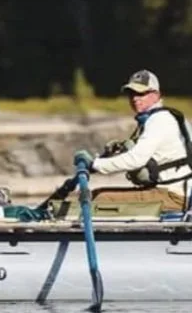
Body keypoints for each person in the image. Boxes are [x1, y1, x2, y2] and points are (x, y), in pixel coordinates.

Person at [74, 69, 192, 212]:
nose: (135, 98)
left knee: (98, 198)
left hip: (174, 196)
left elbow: (136, 160)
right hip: (176, 192)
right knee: (97, 195)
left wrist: (95, 164)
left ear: (156, 95)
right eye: (131, 93)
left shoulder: (159, 120)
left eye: (141, 93)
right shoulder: (168, 117)